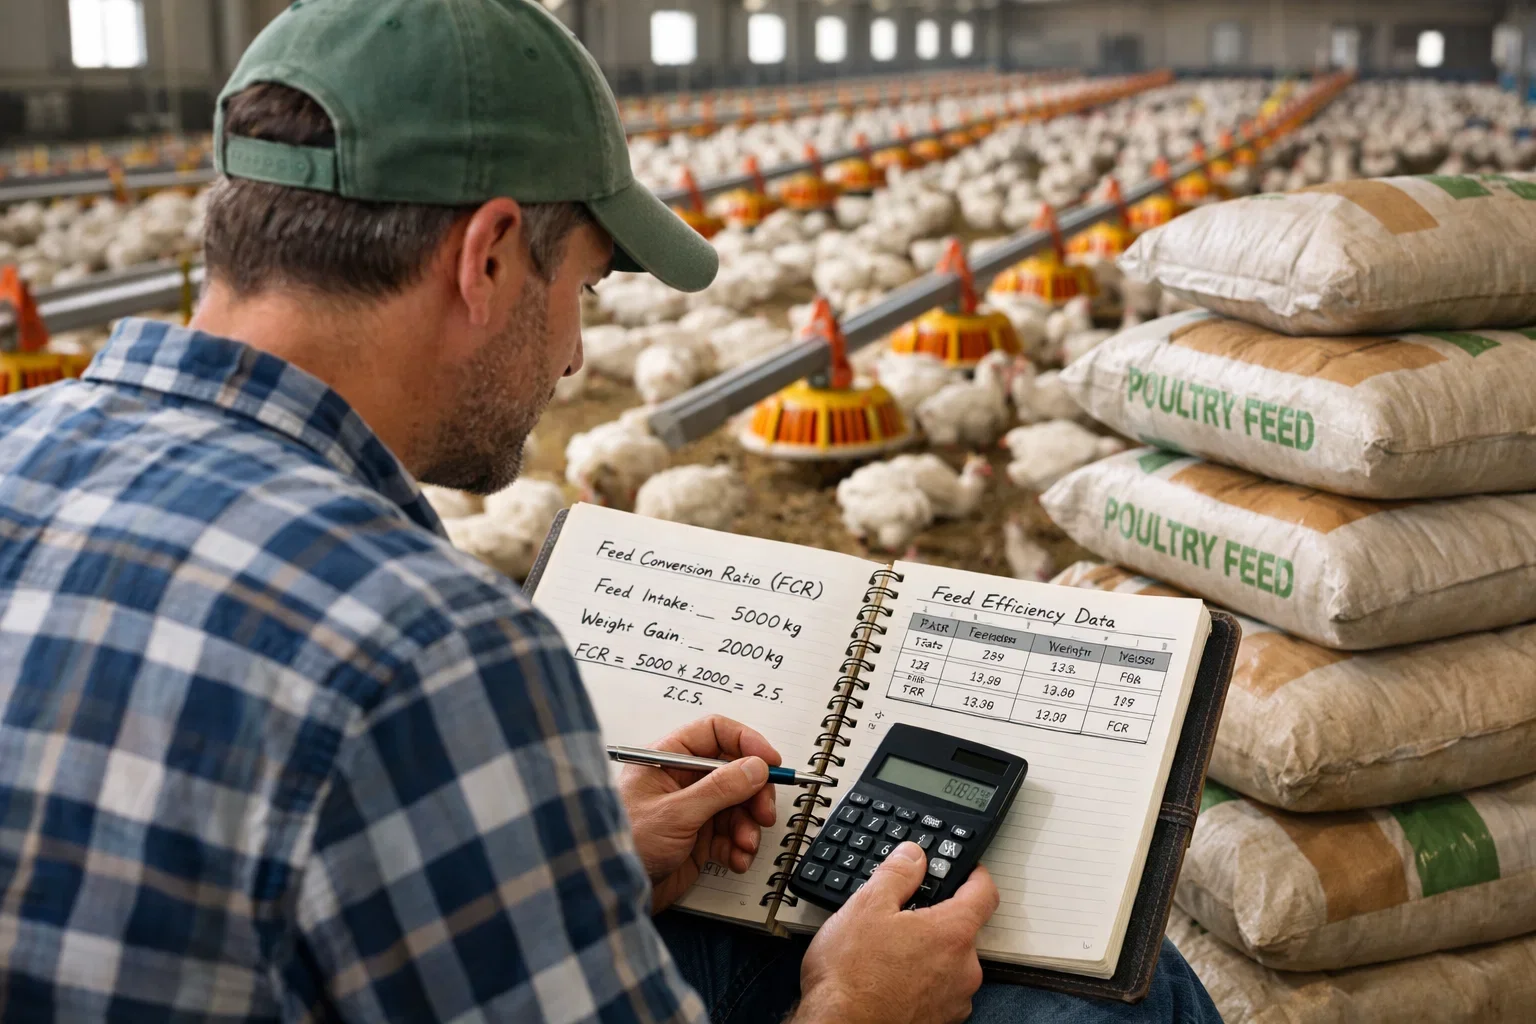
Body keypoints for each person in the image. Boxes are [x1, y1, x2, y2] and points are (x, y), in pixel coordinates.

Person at [0, 1, 1221, 1021]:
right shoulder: (428, 644)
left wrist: (568, 855)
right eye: (580, 283)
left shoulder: (17, 447)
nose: (577, 356)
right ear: (486, 258)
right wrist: (847, 1011)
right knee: (1104, 992)